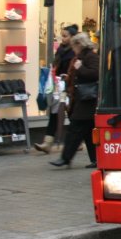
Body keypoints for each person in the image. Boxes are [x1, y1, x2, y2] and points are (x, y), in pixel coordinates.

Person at [50, 32, 98, 168]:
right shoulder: (82, 56)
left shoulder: (90, 57)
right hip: (83, 99)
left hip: (87, 100)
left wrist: (80, 68)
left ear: (79, 44)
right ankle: (96, 159)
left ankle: (65, 158)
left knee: (75, 129)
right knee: (88, 132)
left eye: (74, 45)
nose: (73, 49)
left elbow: (95, 73)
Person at [34, 24, 78, 154]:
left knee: (72, 115)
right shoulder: (61, 49)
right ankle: (48, 143)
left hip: (69, 87)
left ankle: (76, 141)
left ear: (72, 37)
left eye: (65, 36)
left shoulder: (74, 52)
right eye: (62, 36)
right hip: (58, 86)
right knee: (54, 113)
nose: (62, 39)